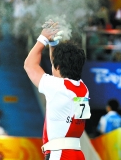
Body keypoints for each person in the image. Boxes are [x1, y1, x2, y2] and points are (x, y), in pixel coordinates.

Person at [24, 20, 90, 160]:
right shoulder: (82, 88)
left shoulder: (59, 88)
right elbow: (57, 68)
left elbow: (29, 65)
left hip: (61, 154)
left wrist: (43, 38)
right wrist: (53, 43)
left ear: (58, 66)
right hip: (76, 154)